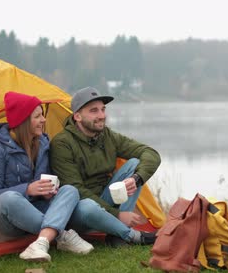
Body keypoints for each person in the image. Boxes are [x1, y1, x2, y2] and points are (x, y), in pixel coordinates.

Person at [0, 91, 93, 262]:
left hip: (38, 208)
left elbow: (46, 181)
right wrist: (28, 190)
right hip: (8, 218)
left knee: (70, 190)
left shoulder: (42, 144)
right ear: (24, 120)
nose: (44, 120)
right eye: (37, 116)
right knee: (9, 198)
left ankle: (40, 242)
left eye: (42, 115)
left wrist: (46, 191)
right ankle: (61, 235)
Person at [50, 87, 161, 246]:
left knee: (134, 164)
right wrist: (117, 214)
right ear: (77, 116)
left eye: (103, 109)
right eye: (94, 111)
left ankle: (116, 234)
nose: (102, 116)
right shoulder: (62, 143)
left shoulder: (106, 136)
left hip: (105, 200)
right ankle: (131, 235)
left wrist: (136, 179)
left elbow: (150, 153)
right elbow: (75, 189)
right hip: (79, 212)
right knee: (87, 206)